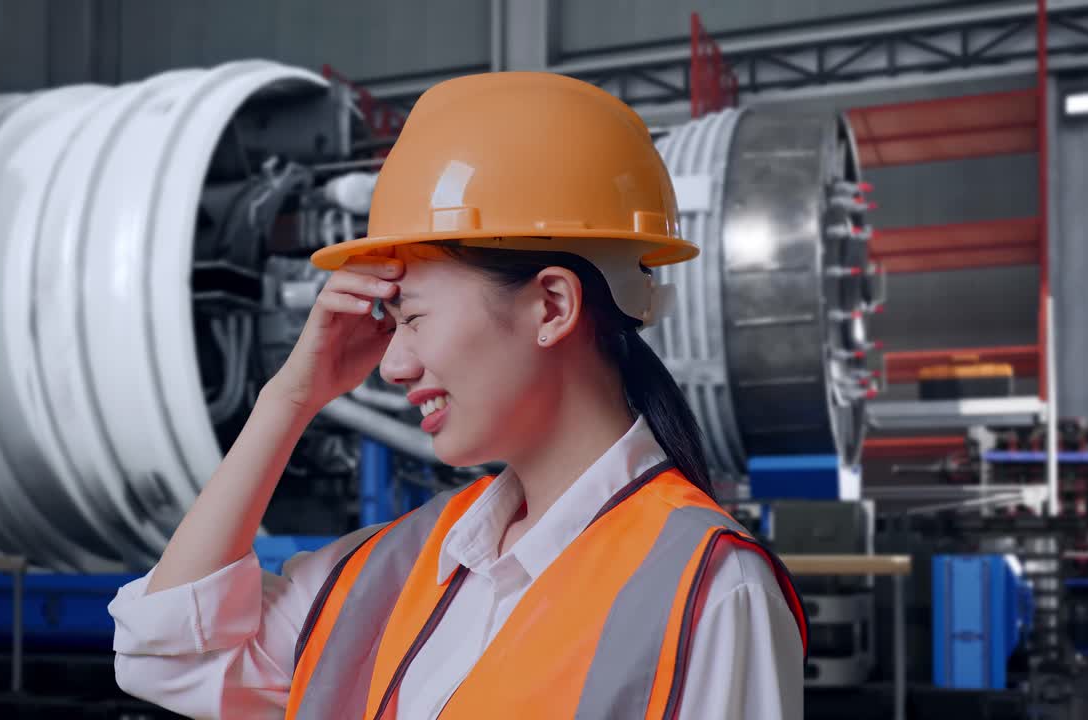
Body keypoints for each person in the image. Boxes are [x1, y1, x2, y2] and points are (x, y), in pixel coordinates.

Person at [108, 71, 808, 720]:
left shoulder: (709, 589)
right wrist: (288, 398)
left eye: (411, 317)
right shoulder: (407, 563)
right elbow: (168, 651)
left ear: (552, 306)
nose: (393, 365)